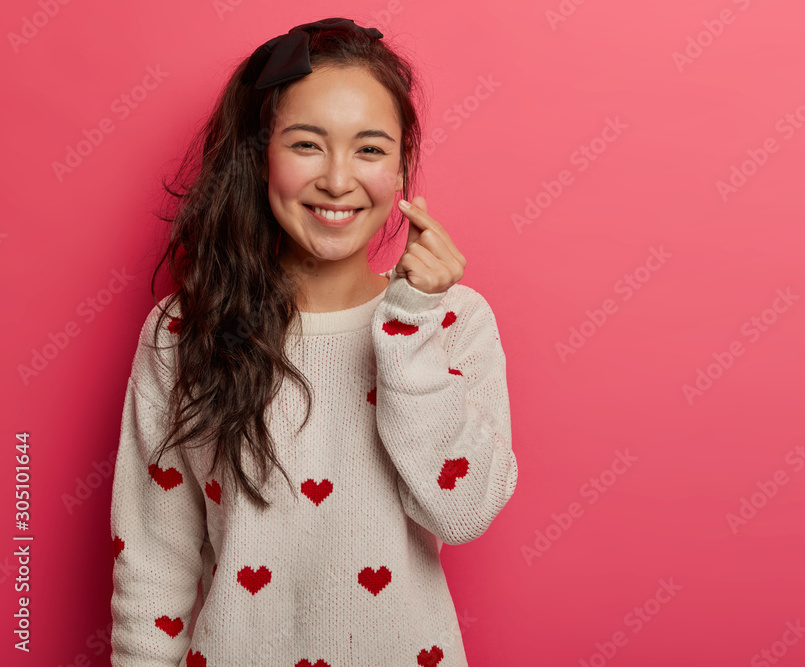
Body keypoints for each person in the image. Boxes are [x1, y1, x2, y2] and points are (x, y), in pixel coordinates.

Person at [108, 17, 517, 667]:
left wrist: (409, 326)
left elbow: (463, 512)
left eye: (370, 149)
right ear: (260, 154)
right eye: (307, 144)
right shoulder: (184, 327)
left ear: (402, 167)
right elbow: (155, 559)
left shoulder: (453, 319)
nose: (336, 178)